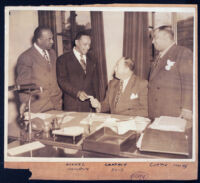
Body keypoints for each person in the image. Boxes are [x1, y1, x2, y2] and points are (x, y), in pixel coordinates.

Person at [148, 25, 193, 121]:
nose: (152, 42)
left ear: (167, 38)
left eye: (155, 38)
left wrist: (187, 109)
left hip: (173, 112)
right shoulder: (157, 58)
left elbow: (189, 83)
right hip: (157, 111)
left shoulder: (182, 53)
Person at [16, 26, 62, 117]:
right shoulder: (26, 57)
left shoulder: (52, 53)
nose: (52, 41)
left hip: (56, 103)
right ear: (39, 40)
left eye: (52, 38)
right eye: (49, 39)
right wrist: (24, 103)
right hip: (38, 106)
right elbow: (23, 83)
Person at [56, 31, 98, 112]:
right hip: (72, 104)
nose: (88, 47)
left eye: (89, 44)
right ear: (76, 42)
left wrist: (96, 101)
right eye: (85, 44)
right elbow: (62, 81)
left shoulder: (92, 59)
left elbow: (95, 83)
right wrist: (77, 93)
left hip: (89, 105)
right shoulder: (63, 59)